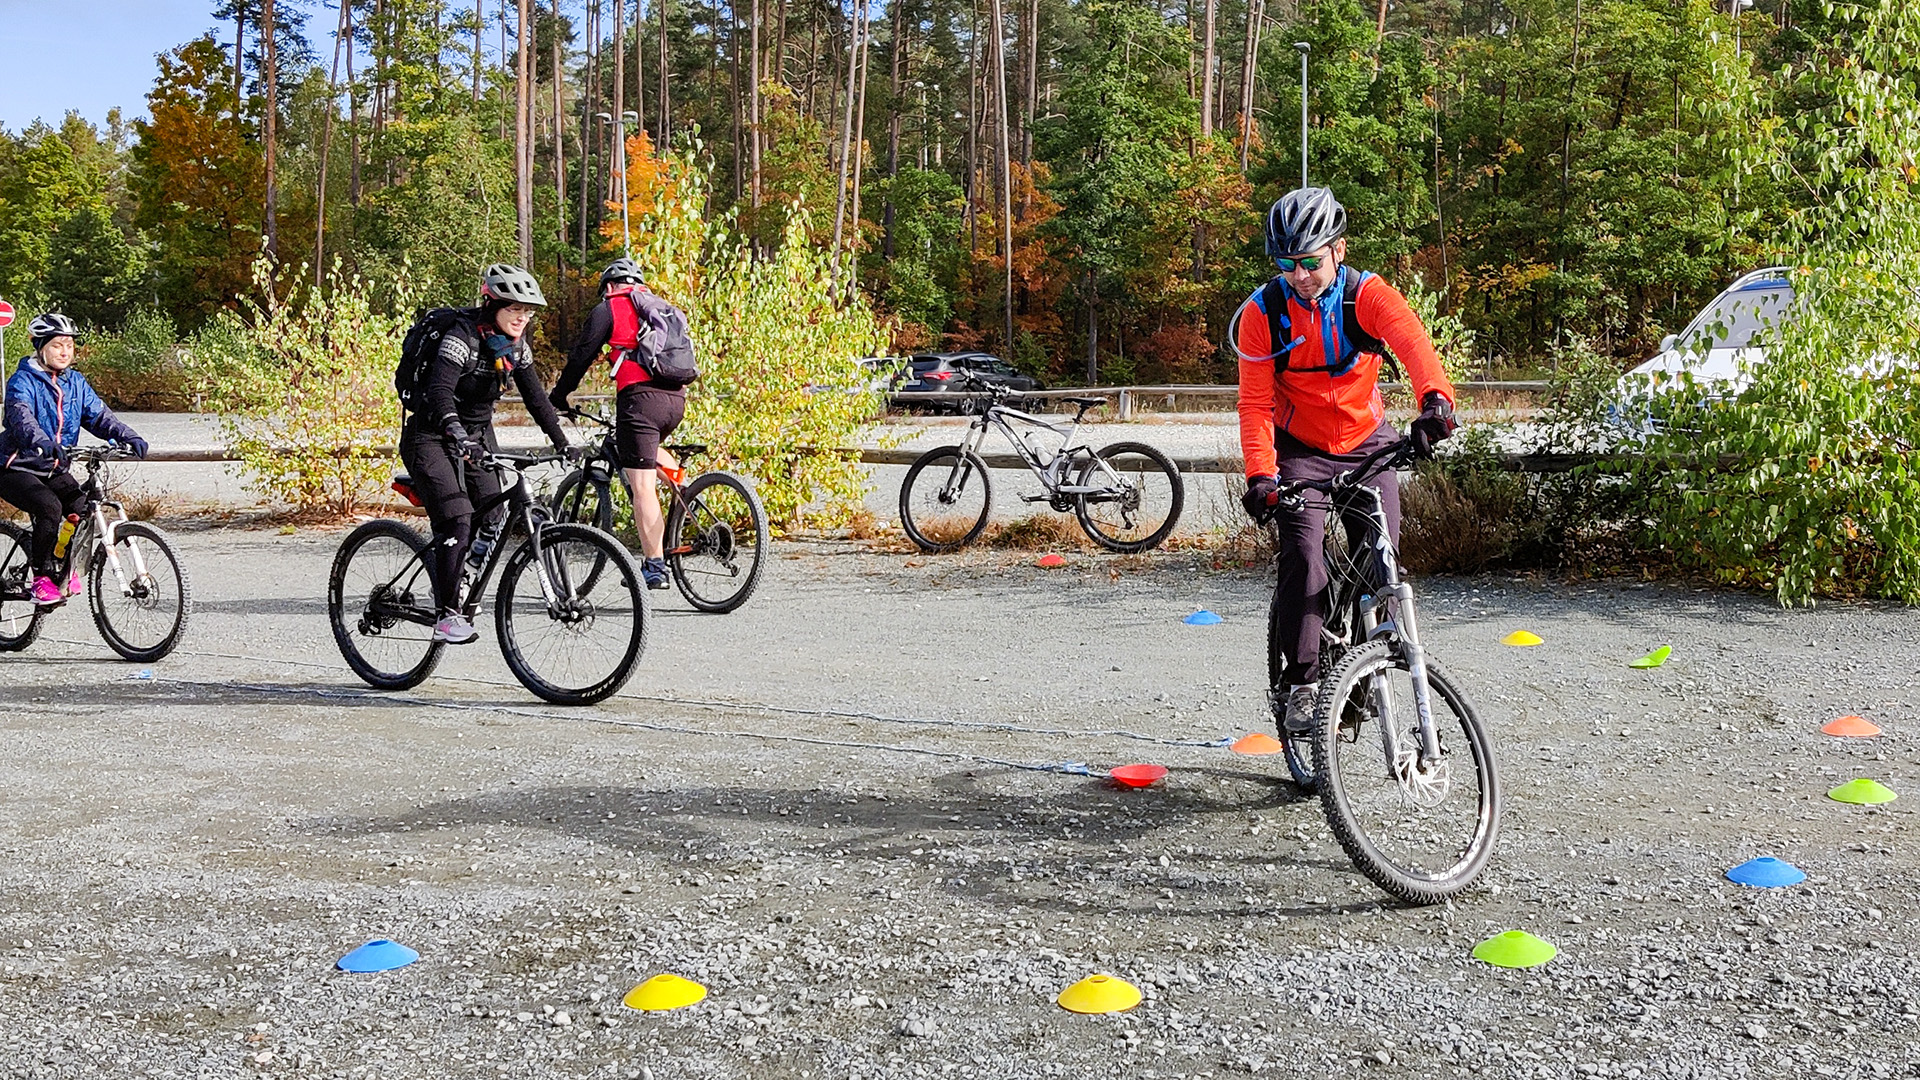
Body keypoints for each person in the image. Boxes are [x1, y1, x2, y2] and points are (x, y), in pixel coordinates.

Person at [1231, 187, 1459, 736]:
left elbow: (1413, 345)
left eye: (1310, 261)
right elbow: (1255, 403)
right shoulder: (1263, 313)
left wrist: (1436, 402)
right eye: (1287, 263)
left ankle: (1362, 671)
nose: (1299, 274)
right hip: (1299, 449)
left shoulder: (1368, 296)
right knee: (1304, 556)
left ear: (1338, 249)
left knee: (1380, 557)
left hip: (1366, 440)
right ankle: (1304, 684)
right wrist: (1261, 474)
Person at [400, 264, 577, 645]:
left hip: (476, 437)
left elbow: (537, 400)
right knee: (458, 519)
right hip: (430, 435)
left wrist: (562, 442)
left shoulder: (516, 348)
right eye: (515, 308)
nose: (522, 318)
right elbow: (439, 393)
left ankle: (460, 579)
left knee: (494, 515)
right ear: (492, 304)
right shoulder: (460, 338)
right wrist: (457, 434)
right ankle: (446, 615)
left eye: (528, 312)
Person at [549, 257, 685, 590]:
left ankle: (654, 567)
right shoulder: (661, 307)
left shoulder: (609, 308)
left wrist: (559, 395)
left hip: (640, 402)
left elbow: (582, 355)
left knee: (641, 487)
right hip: (676, 399)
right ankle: (690, 496)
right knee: (651, 455)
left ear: (610, 286)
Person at [0, 313, 149, 606]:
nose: (65, 351)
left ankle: (62, 566)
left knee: (83, 509)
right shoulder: (22, 381)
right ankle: (41, 577)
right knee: (49, 507)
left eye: (69, 345)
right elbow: (21, 418)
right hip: (14, 465)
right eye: (57, 345)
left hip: (53, 466)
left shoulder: (76, 383)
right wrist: (42, 442)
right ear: (40, 346)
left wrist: (128, 436)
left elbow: (99, 416)